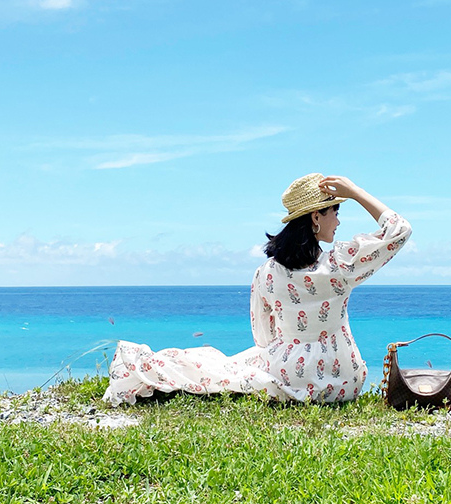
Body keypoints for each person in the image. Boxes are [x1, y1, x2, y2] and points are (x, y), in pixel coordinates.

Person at [102, 173, 411, 405]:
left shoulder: (267, 273)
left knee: (225, 368)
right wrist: (354, 192)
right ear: (316, 217)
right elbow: (399, 230)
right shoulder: (340, 265)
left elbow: (263, 336)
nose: (339, 222)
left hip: (288, 373)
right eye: (336, 212)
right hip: (344, 379)